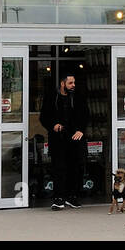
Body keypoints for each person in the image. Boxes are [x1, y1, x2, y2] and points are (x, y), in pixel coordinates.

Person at [39, 72, 88, 209]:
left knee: (76, 167)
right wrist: (53, 125)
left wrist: (81, 130)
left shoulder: (78, 97)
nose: (73, 85)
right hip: (58, 139)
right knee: (59, 168)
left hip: (75, 138)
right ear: (62, 83)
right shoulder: (52, 97)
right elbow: (44, 117)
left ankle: (72, 196)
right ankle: (59, 198)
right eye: (70, 83)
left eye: (74, 83)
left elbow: (85, 115)